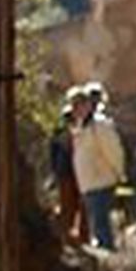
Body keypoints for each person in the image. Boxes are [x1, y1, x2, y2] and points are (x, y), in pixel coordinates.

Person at [69, 83, 127, 250]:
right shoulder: (81, 126)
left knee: (101, 225)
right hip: (88, 182)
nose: (76, 109)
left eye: (79, 104)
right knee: (96, 223)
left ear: (87, 104)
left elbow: (114, 151)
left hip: (101, 180)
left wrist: (119, 173)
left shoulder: (99, 126)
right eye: (74, 105)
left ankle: (109, 257)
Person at [50, 101, 88, 244]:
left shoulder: (74, 131)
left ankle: (73, 235)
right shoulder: (66, 132)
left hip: (70, 173)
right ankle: (70, 235)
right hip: (70, 172)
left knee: (73, 206)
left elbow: (53, 154)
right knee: (73, 206)